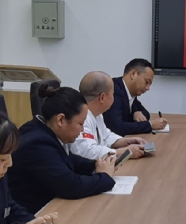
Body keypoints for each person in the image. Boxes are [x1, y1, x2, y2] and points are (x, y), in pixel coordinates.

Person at [9, 82, 117, 214]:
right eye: (80, 123)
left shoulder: (44, 130)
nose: (82, 129)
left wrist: (95, 165)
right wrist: (104, 177)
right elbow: (71, 186)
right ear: (61, 120)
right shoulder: (37, 144)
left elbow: (68, 160)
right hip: (34, 214)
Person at [71, 71, 147, 160]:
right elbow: (88, 152)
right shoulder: (81, 118)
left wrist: (127, 141)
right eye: (113, 93)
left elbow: (106, 136)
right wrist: (124, 152)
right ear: (102, 97)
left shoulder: (97, 114)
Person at [103, 58, 168, 135]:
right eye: (146, 82)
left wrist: (136, 112)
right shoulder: (114, 91)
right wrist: (150, 125)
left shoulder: (130, 92)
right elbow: (117, 128)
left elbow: (146, 113)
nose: (148, 88)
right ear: (133, 74)